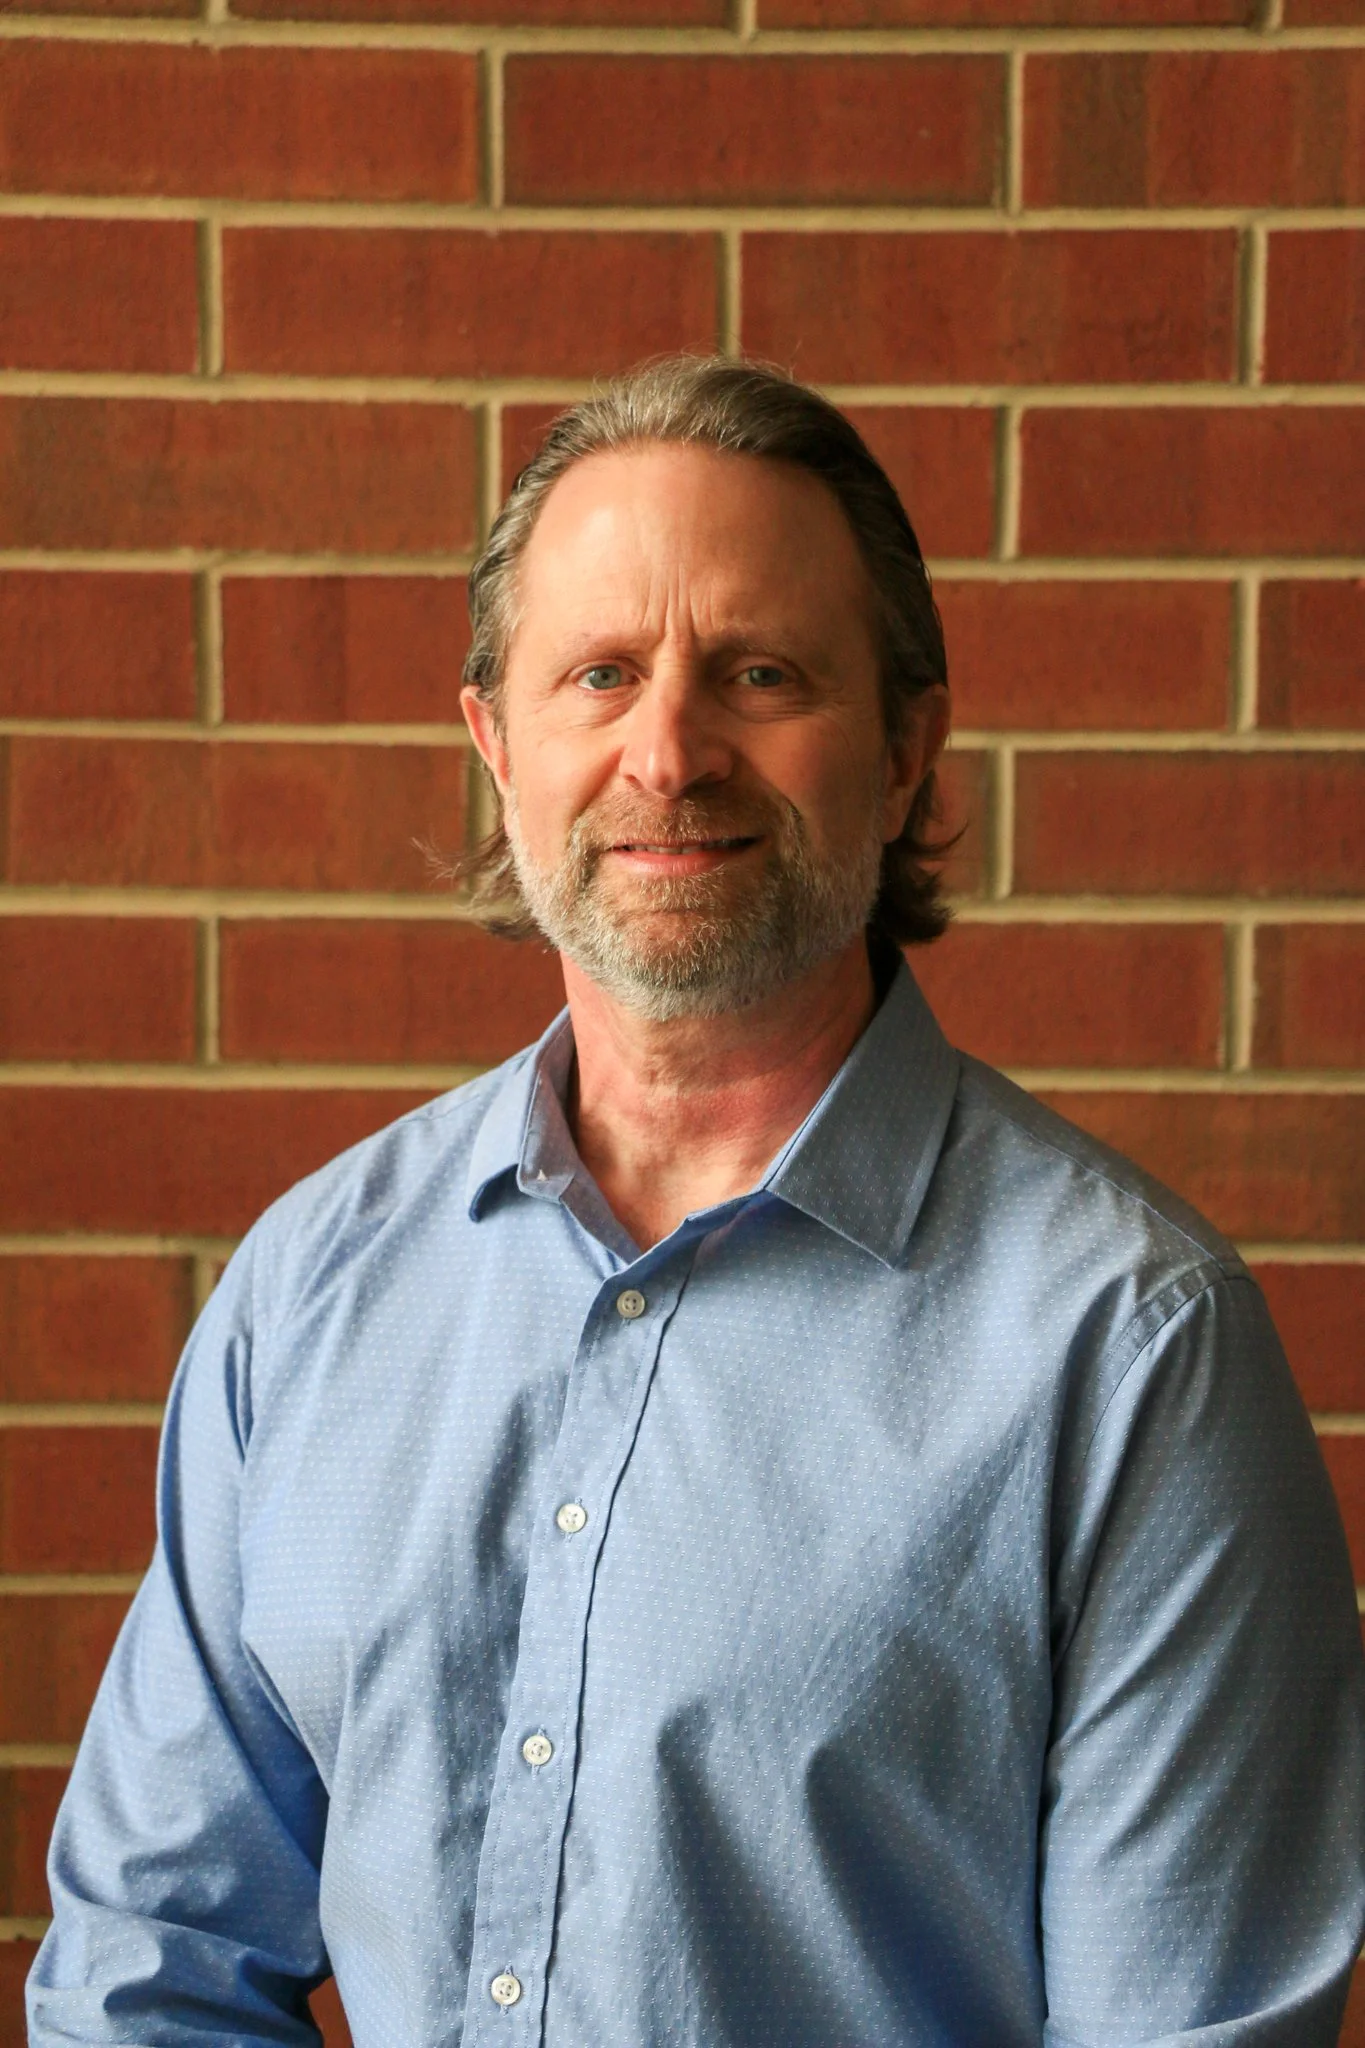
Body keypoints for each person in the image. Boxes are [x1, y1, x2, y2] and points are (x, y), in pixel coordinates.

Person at [29, 357, 1365, 2047]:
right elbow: (152, 1962)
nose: (670, 750)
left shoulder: (1132, 1356)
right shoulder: (312, 1291)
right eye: (600, 675)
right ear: (497, 749)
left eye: (759, 671)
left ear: (907, 752)